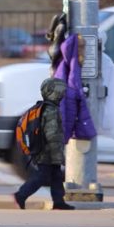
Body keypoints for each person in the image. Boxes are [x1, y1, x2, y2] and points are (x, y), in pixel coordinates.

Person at [13, 78, 75, 210]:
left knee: (56, 175)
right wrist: (57, 154)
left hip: (44, 149)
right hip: (47, 151)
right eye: (61, 91)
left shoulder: (45, 108)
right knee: (43, 176)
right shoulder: (51, 111)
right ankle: (20, 195)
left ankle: (58, 201)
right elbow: (52, 135)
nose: (63, 94)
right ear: (55, 93)